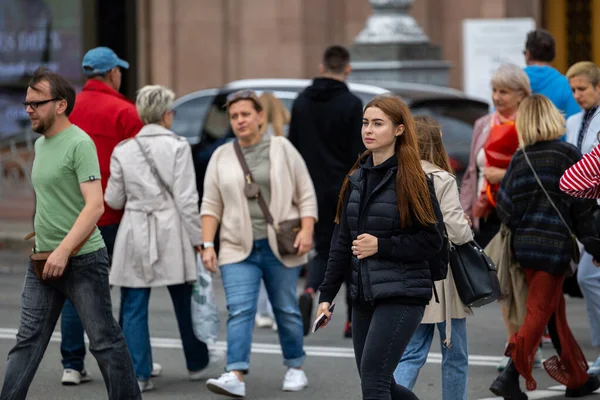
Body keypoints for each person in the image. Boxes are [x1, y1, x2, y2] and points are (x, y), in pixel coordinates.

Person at [0, 67, 140, 400]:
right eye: (27, 103)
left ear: (60, 104)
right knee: (27, 341)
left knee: (104, 341)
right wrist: (41, 229)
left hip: (82, 260)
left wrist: (64, 250)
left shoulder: (80, 143)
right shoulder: (41, 145)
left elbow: (95, 206)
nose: (29, 109)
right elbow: (52, 196)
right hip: (43, 260)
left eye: (37, 103)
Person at [316, 94, 445, 400]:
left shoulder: (413, 178)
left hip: (403, 292)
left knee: (374, 383)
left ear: (399, 129)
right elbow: (341, 244)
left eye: (378, 123)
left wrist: (381, 245)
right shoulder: (356, 178)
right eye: (365, 123)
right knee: (380, 383)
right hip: (364, 294)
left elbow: (433, 240)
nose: (368, 130)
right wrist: (326, 296)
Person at [201, 90, 317, 398]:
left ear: (260, 117)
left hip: (280, 245)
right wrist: (207, 244)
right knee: (240, 310)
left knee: (286, 309)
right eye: (234, 116)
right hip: (236, 247)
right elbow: (210, 205)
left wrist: (307, 230)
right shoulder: (221, 155)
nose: (239, 121)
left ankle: (295, 366)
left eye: (245, 114)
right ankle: (235, 373)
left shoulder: (282, 148)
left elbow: (305, 193)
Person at [489, 94, 600, 399]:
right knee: (539, 311)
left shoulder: (520, 158)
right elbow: (583, 207)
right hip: (554, 250)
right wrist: (595, 245)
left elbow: (505, 208)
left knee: (554, 312)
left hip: (524, 249)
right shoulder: (567, 154)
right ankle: (511, 376)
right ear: (554, 118)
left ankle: (577, 378)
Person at [104, 85, 211, 392]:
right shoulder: (178, 146)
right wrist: (199, 240)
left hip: (135, 228)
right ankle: (196, 361)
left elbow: (113, 199)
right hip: (172, 228)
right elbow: (187, 200)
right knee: (183, 296)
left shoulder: (124, 149)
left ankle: (140, 372)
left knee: (135, 303)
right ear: (166, 114)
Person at [59, 46, 145, 386]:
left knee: (75, 290)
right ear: (112, 74)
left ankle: (71, 364)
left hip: (74, 215)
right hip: (115, 216)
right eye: (120, 71)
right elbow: (138, 168)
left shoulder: (67, 112)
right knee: (124, 289)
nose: (121, 75)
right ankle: (125, 362)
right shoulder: (126, 111)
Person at [459, 64, 537, 371]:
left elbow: (537, 168)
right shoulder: (483, 123)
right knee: (502, 284)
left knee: (525, 284)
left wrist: (504, 174)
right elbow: (471, 172)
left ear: (521, 94)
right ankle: (515, 344)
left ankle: (528, 341)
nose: (497, 97)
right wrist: (466, 211)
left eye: (504, 91)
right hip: (487, 213)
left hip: (521, 213)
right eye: (494, 91)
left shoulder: (530, 123)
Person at [393, 116, 473, 400]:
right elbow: (457, 232)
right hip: (442, 277)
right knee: (455, 352)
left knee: (411, 351)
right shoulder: (440, 178)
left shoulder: (396, 175)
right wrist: (467, 225)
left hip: (407, 271)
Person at [289, 45, 364, 338]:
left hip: (308, 186)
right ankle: (351, 320)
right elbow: (359, 150)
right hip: (344, 186)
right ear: (347, 68)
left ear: (321, 67)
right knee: (352, 247)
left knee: (322, 247)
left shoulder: (300, 102)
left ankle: (309, 288)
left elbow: (293, 145)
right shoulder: (352, 103)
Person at [523, 29, 580, 119]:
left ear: (528, 54)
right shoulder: (566, 85)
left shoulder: (512, 83)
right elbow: (575, 122)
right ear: (554, 54)